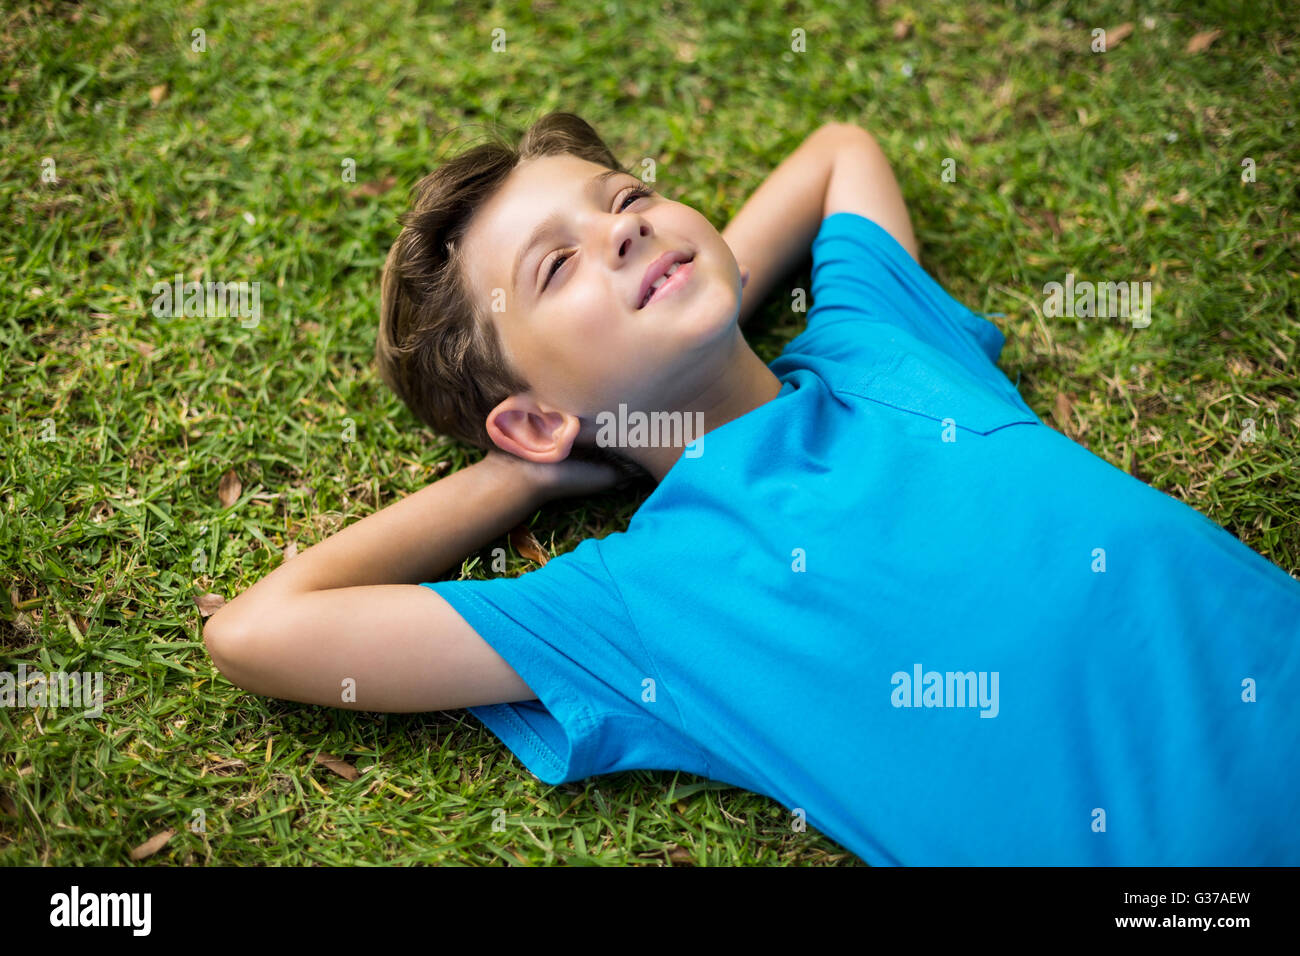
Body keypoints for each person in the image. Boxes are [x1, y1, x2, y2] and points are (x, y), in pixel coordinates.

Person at [204, 112, 1300, 865]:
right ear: (535, 414)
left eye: (624, 197)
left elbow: (837, 150)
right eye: (556, 265)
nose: (621, 225)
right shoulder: (638, 604)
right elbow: (260, 631)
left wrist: (694, 268)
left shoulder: (883, 343)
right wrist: (519, 478)